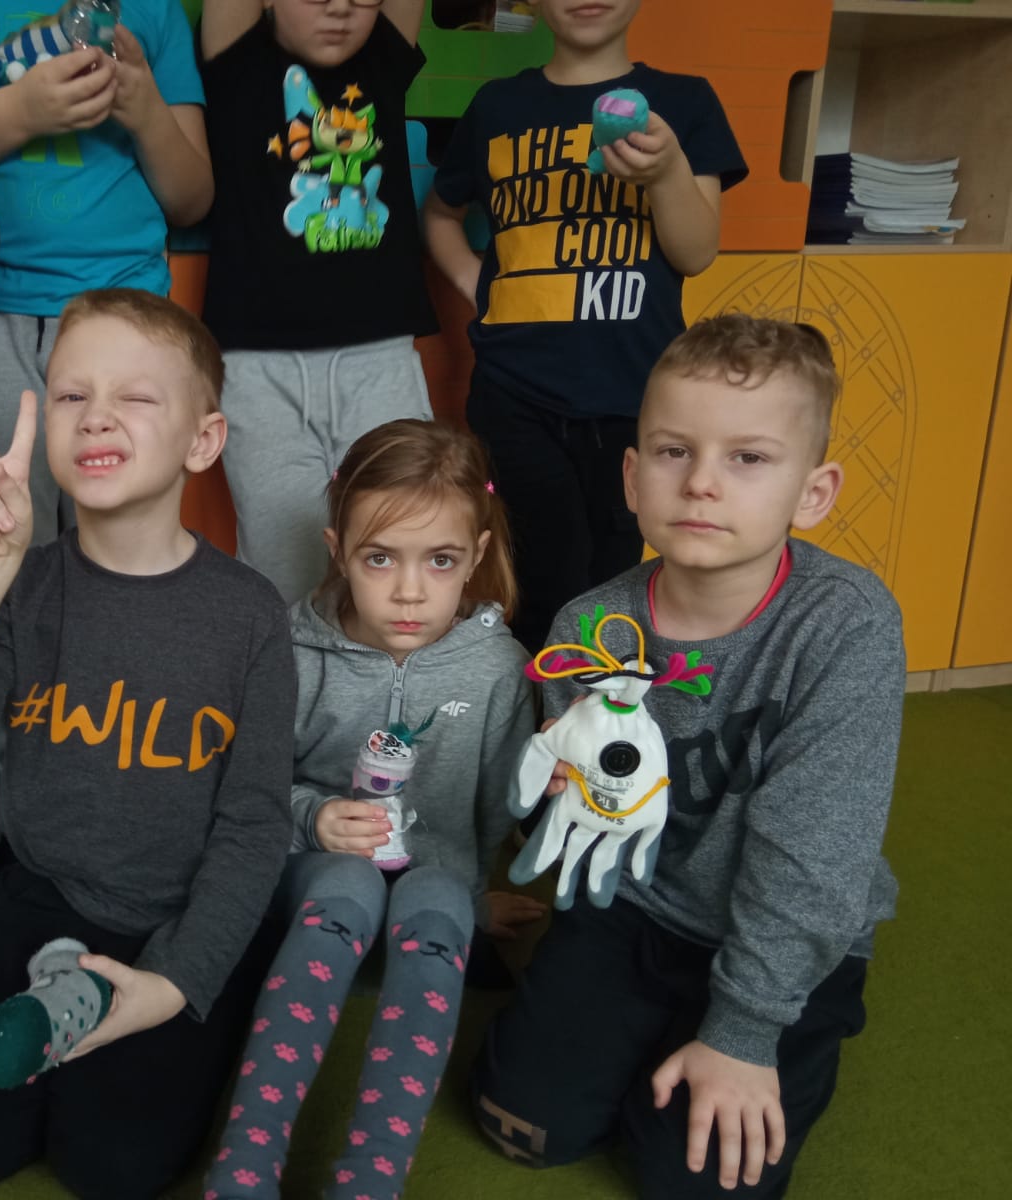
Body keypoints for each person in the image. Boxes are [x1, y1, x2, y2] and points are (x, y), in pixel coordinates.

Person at [0, 288, 296, 1199]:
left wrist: (176, 982)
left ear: (203, 441)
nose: (96, 416)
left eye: (135, 397)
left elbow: (257, 826)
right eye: (71, 395)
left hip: (179, 922)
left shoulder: (253, 616)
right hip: (44, 901)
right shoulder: (23, 586)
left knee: (113, 1172)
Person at [472, 315, 903, 1198]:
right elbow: (574, 810)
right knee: (522, 1128)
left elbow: (816, 855)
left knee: (695, 1182)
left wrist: (744, 1033)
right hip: (633, 910)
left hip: (778, 934)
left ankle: (725, 1035)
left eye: (748, 458)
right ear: (632, 478)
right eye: (674, 451)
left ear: (813, 492)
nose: (702, 482)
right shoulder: (589, 625)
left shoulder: (846, 626)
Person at [205, 418, 545, 1199]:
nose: (409, 591)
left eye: (441, 560)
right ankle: (244, 1169)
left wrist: (474, 893)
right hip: (316, 873)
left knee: (441, 903)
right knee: (349, 883)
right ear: (338, 550)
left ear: (476, 557)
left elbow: (498, 803)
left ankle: (371, 1180)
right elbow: (248, 783)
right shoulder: (292, 651)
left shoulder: (499, 670)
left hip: (432, 881)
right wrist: (313, 818)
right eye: (380, 558)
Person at [423, 0, 747, 650]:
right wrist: (477, 285)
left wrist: (666, 172)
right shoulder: (497, 107)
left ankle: (595, 706)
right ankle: (539, 709)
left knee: (611, 580)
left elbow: (696, 251)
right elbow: (439, 213)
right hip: (514, 393)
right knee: (544, 582)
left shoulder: (683, 101)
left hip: (634, 396)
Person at [0, 0, 211, 547]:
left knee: (125, 539)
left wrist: (146, 113)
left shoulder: (155, 10)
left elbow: (191, 199)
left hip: (125, 310)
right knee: (0, 535)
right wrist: (20, 113)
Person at [197, 0, 440, 603]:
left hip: (378, 358)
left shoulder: (380, 60)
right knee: (285, 568)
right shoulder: (240, 61)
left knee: (402, 542)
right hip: (260, 367)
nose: (339, 7)